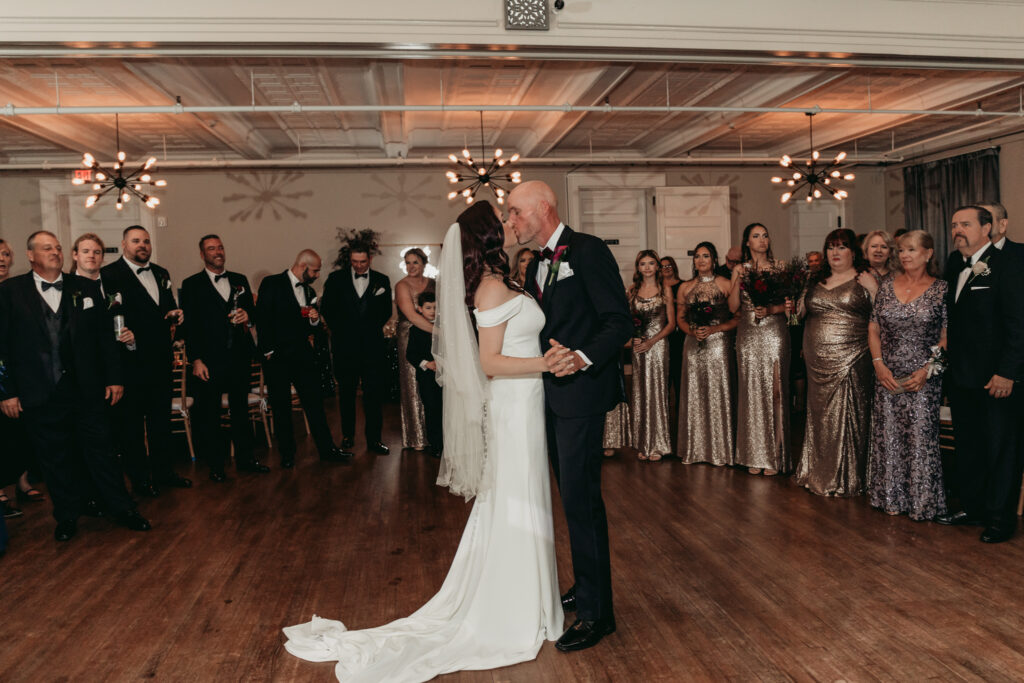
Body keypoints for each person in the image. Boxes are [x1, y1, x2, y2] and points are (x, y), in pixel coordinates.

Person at [284, 201, 567, 679]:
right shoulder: (492, 289)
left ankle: (532, 598)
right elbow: (490, 363)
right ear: (488, 237)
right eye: (504, 220)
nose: (512, 223)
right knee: (518, 498)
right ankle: (514, 604)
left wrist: (548, 352)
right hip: (514, 404)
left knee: (528, 498)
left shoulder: (506, 281)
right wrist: (544, 363)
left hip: (526, 403)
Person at [514, 180, 632, 651]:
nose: (512, 221)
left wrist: (582, 357)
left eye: (516, 212)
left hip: (580, 395)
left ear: (543, 208)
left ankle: (597, 614)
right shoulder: (535, 265)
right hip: (546, 396)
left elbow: (618, 320)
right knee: (570, 502)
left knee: (582, 505)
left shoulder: (586, 250)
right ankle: (586, 587)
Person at [0, 231, 150, 541]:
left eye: (57, 247)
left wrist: (114, 377)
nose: (54, 252)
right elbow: (2, 347)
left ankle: (123, 508)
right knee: (56, 460)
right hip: (39, 392)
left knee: (103, 453)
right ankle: (67, 516)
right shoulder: (10, 292)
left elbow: (105, 340)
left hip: (86, 390)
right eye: (46, 248)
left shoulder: (84, 288)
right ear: (30, 255)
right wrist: (8, 392)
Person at [936, 205, 1024, 543]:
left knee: (1002, 450)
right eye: (954, 224)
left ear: (987, 228)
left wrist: (1008, 373)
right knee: (970, 446)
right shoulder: (955, 262)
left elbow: (1019, 324)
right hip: (962, 377)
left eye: (966, 224)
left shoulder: (1011, 264)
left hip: (996, 380)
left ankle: (1001, 519)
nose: (957, 230)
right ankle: (973, 508)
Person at [100, 226, 192, 497]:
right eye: (136, 241)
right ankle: (140, 480)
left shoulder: (162, 273)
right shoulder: (109, 274)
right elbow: (108, 318)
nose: (143, 245)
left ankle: (165, 473)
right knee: (131, 426)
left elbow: (165, 308)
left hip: (161, 361)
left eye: (146, 241)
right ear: (124, 244)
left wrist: (175, 313)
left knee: (160, 421)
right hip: (130, 363)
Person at [867, 230, 948, 520]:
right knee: (888, 436)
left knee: (920, 438)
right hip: (887, 374)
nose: (904, 255)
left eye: (911, 250)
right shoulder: (887, 286)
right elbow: (873, 327)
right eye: (901, 250)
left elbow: (946, 336)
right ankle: (890, 498)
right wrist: (878, 364)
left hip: (923, 377)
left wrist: (928, 369)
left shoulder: (942, 289)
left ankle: (922, 503)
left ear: (928, 254)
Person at [792, 229, 878, 496]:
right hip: (816, 363)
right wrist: (792, 306)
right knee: (820, 417)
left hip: (852, 358)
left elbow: (884, 317)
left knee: (848, 415)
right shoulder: (815, 280)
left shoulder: (865, 278)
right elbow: (798, 318)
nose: (835, 253)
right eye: (831, 248)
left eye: (841, 247)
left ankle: (848, 477)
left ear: (854, 252)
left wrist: (875, 291)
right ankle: (817, 471)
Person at [180, 235, 269, 482]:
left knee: (240, 411)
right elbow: (190, 328)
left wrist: (247, 318)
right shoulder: (191, 284)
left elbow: (253, 315)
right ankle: (216, 466)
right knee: (211, 415)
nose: (217, 252)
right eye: (211, 249)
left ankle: (246, 459)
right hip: (209, 362)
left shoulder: (239, 280)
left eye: (220, 247)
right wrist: (196, 359)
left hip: (239, 358)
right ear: (202, 255)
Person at [256, 250, 352, 468]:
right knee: (281, 408)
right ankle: (287, 455)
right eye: (315, 270)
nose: (318, 274)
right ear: (302, 266)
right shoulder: (272, 283)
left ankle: (327, 450)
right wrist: (268, 351)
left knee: (315, 405)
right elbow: (262, 317)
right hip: (277, 357)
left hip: (302, 356)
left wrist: (314, 321)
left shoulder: (309, 291)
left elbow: (312, 327)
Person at [729, 223, 791, 476]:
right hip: (747, 334)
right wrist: (738, 281)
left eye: (765, 235)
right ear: (747, 242)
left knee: (775, 390)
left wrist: (771, 310)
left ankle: (775, 454)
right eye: (756, 236)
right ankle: (754, 453)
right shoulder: (739, 269)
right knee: (751, 391)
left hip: (774, 332)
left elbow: (790, 305)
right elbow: (733, 306)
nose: (762, 240)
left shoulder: (780, 267)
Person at [322, 242, 392, 455]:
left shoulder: (382, 280)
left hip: (372, 347)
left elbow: (386, 311)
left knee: (373, 395)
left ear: (369, 259)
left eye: (363, 262)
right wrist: (342, 332)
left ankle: (374, 440)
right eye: (355, 262)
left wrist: (368, 329)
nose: (359, 266)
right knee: (346, 394)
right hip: (345, 348)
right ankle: (348, 436)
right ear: (349, 261)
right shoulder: (335, 279)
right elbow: (327, 309)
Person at [676, 242, 737, 466]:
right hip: (693, 344)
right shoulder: (685, 287)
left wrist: (714, 329)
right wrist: (692, 331)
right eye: (697, 257)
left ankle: (721, 450)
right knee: (694, 392)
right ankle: (695, 448)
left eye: (706, 256)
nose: (701, 260)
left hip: (718, 343)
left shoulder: (725, 283)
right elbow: (680, 318)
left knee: (717, 392)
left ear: (714, 260)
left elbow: (737, 317)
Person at [625, 250, 675, 461]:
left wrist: (651, 342)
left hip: (658, 345)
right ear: (638, 268)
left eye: (651, 263)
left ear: (657, 267)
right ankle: (643, 443)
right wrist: (634, 339)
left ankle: (659, 444)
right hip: (639, 347)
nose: (647, 267)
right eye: (643, 263)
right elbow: (627, 322)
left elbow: (671, 324)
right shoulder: (632, 291)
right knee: (640, 392)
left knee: (657, 392)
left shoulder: (666, 290)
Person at [393, 248, 434, 451]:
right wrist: (440, 332)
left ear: (424, 264)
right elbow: (411, 315)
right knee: (413, 383)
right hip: (410, 336)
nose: (411, 267)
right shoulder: (401, 286)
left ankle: (437, 435)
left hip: (432, 337)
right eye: (407, 263)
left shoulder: (434, 283)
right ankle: (417, 437)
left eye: (415, 262)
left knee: (434, 382)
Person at [403, 290, 442, 458]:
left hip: (447, 377)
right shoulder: (416, 329)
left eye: (435, 307)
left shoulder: (445, 327)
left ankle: (449, 443)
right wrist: (427, 364)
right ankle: (435, 444)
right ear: (419, 309)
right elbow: (411, 354)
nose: (432, 310)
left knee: (445, 409)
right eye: (428, 307)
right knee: (432, 410)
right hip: (427, 378)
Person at [660, 255, 684, 423]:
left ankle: (681, 415)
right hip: (663, 335)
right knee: (664, 378)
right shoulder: (657, 288)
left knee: (679, 375)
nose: (666, 268)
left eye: (669, 265)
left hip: (680, 335)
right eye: (663, 266)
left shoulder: (683, 285)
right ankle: (664, 415)